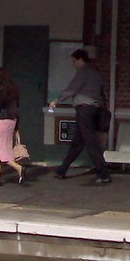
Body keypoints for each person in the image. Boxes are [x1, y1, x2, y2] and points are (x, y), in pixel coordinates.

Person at [48, 49, 111, 185]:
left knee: (90, 142)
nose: (74, 64)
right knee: (78, 142)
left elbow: (72, 89)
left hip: (84, 110)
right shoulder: (96, 73)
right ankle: (62, 170)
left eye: (74, 61)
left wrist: (57, 100)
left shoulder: (83, 72)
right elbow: (103, 92)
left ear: (80, 59)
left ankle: (104, 173)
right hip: (94, 109)